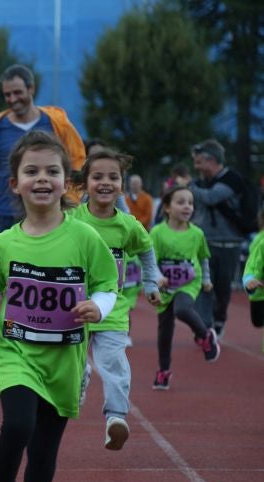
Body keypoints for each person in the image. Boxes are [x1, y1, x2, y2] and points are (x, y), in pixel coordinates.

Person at [0, 130, 118, 482]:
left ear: (67, 180)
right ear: (14, 183)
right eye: (31, 171)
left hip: (64, 359)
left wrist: (99, 307)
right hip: (17, 352)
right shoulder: (4, 243)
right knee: (17, 425)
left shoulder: (85, 238)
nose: (43, 178)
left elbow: (108, 282)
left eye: (52, 170)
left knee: (46, 447)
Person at [71, 148, 163, 450]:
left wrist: (151, 281)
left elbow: (147, 251)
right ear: (85, 183)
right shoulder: (72, 220)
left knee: (114, 363)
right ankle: (80, 377)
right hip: (75, 310)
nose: (105, 182)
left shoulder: (128, 225)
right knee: (72, 362)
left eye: (113, 177)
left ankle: (115, 418)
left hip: (113, 309)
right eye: (97, 177)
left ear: (122, 184)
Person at [0, 64, 85, 235]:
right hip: (7, 213)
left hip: (50, 210)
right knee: (10, 262)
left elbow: (77, 160)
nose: (12, 99)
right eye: (7, 95)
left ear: (31, 89)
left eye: (17, 93)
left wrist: (71, 200)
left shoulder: (57, 122)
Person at [150, 185, 220, 391]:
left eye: (190, 202)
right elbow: (150, 260)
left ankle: (204, 335)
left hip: (190, 282)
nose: (187, 206)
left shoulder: (197, 233)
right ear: (167, 208)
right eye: (181, 202)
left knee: (181, 309)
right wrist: (157, 277)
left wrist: (206, 279)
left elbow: (203, 258)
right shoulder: (157, 233)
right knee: (165, 332)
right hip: (165, 285)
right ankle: (163, 371)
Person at [189, 139, 246, 338]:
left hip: (230, 243)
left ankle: (219, 319)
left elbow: (211, 197)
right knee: (204, 284)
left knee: (223, 288)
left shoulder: (232, 179)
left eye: (198, 162)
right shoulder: (199, 182)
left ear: (211, 160)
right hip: (204, 243)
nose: (195, 167)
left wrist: (188, 187)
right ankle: (204, 326)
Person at [242, 210, 263, 351]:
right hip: (260, 293)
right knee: (258, 322)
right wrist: (250, 280)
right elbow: (252, 265)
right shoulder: (261, 242)